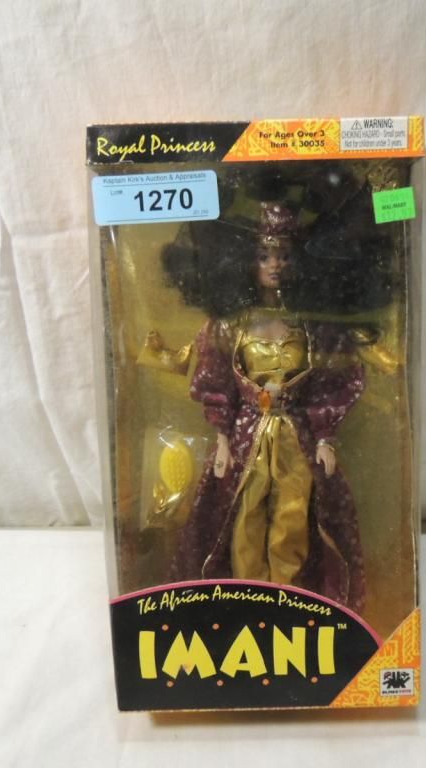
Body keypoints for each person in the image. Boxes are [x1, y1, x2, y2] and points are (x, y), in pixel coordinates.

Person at [166, 202, 369, 612]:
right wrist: (222, 439)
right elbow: (217, 382)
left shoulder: (311, 325)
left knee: (293, 520)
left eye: (284, 256)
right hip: (246, 436)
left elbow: (330, 383)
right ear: (247, 262)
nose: (275, 265)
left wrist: (325, 437)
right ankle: (249, 599)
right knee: (244, 518)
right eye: (264, 256)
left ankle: (288, 599)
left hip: (296, 435)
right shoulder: (230, 324)